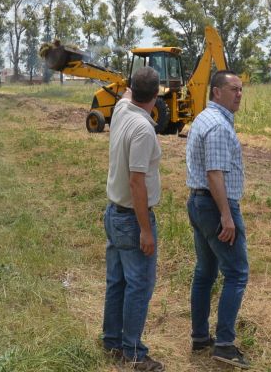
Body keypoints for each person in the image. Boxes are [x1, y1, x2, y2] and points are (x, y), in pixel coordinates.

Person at [185, 70, 250, 369]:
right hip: (214, 206)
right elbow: (215, 174)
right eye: (233, 89)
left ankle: (200, 337)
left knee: (206, 271)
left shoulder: (203, 118)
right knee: (236, 273)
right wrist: (227, 216)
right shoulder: (219, 127)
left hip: (199, 203)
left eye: (240, 89)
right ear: (216, 92)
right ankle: (224, 344)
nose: (239, 94)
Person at [102, 66, 164, 371]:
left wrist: (129, 84)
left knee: (117, 282)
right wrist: (145, 230)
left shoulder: (121, 110)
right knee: (138, 286)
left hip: (113, 213)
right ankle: (134, 352)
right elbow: (137, 182)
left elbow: (127, 93)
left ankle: (112, 341)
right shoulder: (142, 128)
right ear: (157, 93)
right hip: (131, 218)